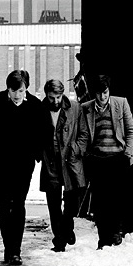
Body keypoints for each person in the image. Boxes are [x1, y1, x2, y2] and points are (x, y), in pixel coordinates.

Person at [0, 70, 44, 265]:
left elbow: (44, 131)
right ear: (8, 89)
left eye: (21, 91)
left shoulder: (35, 106)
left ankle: (16, 250)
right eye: (13, 91)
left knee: (19, 205)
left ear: (27, 89)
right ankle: (9, 248)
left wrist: (36, 153)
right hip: (0, 165)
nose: (17, 95)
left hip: (24, 165)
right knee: (3, 206)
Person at [81, 75, 133, 249]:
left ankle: (116, 233)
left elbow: (131, 131)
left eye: (105, 92)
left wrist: (128, 154)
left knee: (117, 198)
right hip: (97, 160)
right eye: (99, 93)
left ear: (109, 90)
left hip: (118, 159)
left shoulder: (121, 104)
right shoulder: (86, 108)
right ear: (94, 93)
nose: (102, 97)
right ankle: (103, 238)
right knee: (99, 201)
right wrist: (86, 155)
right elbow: (83, 135)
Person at [40, 79, 89, 252]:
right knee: (53, 204)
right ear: (46, 95)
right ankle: (59, 241)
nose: (55, 101)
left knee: (72, 201)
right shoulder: (40, 109)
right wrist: (40, 153)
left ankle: (67, 227)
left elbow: (84, 133)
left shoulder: (75, 108)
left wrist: (76, 149)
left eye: (58, 97)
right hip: (50, 161)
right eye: (52, 97)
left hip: (70, 160)